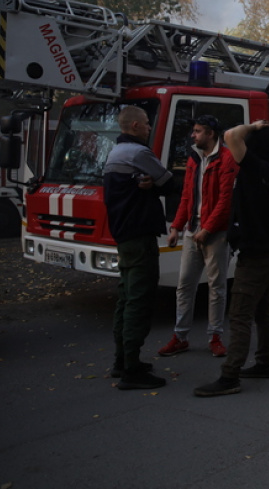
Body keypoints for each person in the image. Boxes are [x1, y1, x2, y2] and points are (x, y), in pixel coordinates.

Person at [194, 120, 269, 397]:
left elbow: (230, 134)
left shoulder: (253, 167)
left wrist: (255, 124)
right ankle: (264, 363)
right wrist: (267, 136)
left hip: (255, 254)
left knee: (240, 314)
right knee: (263, 310)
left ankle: (230, 375)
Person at [103, 105, 176, 390]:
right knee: (139, 301)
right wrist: (154, 186)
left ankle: (121, 362)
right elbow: (168, 182)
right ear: (134, 126)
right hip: (139, 237)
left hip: (125, 237)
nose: (149, 128)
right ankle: (132, 370)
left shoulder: (114, 153)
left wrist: (146, 186)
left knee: (125, 299)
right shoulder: (138, 153)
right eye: (146, 124)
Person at [158, 115, 238, 359]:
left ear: (211, 134)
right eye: (193, 131)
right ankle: (180, 336)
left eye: (198, 131)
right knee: (185, 285)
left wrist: (208, 229)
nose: (193, 135)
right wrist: (176, 227)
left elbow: (226, 201)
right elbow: (187, 196)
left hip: (215, 233)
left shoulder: (227, 159)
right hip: (193, 230)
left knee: (217, 286)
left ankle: (215, 336)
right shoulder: (194, 159)